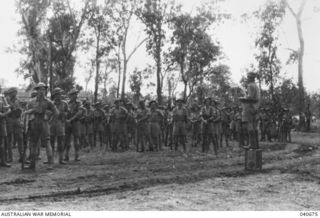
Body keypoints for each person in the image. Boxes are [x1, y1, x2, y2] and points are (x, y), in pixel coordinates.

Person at [25, 83, 58, 170]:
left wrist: (51, 122)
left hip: (44, 123)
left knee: (47, 143)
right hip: (34, 123)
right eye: (40, 89)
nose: (42, 91)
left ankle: (50, 164)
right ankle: (32, 164)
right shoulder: (31, 101)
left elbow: (56, 113)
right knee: (33, 143)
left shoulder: (48, 102)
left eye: (43, 89)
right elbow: (27, 112)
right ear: (37, 90)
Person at [241, 72, 260, 149]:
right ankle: (256, 144)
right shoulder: (256, 86)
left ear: (250, 78)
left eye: (248, 77)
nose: (247, 79)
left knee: (250, 127)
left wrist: (242, 99)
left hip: (250, 107)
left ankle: (251, 144)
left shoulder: (250, 86)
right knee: (255, 127)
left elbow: (250, 98)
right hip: (255, 108)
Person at [65, 88, 85, 162]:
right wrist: (67, 120)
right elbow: (65, 112)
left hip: (76, 122)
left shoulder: (79, 103)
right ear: (71, 95)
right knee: (67, 139)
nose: (76, 95)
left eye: (76, 94)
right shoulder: (67, 103)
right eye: (74, 94)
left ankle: (77, 155)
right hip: (68, 122)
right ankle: (66, 155)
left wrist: (71, 119)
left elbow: (79, 113)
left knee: (76, 139)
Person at [50, 87, 68, 165]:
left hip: (60, 124)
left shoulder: (64, 103)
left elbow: (67, 112)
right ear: (54, 95)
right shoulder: (51, 103)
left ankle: (61, 159)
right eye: (57, 94)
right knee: (51, 142)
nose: (59, 95)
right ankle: (51, 159)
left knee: (60, 142)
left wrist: (64, 116)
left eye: (60, 94)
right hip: (52, 124)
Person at [5, 87, 24, 163]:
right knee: (9, 139)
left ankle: (22, 156)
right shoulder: (5, 100)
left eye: (15, 92)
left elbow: (21, 110)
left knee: (20, 138)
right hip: (9, 119)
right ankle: (10, 157)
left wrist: (21, 120)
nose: (15, 93)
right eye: (13, 92)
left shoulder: (18, 100)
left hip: (17, 119)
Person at [0, 92, 11, 167]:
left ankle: (3, 161)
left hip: (2, 123)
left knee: (2, 144)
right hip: (2, 121)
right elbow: (3, 113)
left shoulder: (2, 97)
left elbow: (6, 107)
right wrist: (8, 111)